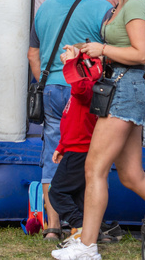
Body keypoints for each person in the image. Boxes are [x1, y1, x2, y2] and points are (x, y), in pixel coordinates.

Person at [53, 0, 145, 260]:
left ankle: (88, 246)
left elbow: (141, 54)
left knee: (94, 168)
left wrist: (102, 49)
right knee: (131, 176)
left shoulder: (136, 4)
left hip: (125, 91)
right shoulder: (124, 5)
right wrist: (89, 51)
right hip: (123, 89)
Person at [29, 0, 112, 241]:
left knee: (54, 153)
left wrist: (46, 79)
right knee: (89, 157)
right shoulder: (104, 8)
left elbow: (33, 52)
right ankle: (84, 222)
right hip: (87, 92)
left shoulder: (45, 7)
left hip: (52, 87)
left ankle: (53, 225)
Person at [48, 45, 103, 243]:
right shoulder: (78, 91)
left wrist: (72, 61)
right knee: (80, 195)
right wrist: (61, 146)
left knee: (57, 191)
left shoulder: (87, 88)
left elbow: (80, 85)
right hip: (74, 148)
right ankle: (86, 233)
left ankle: (80, 225)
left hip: (80, 151)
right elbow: (69, 122)